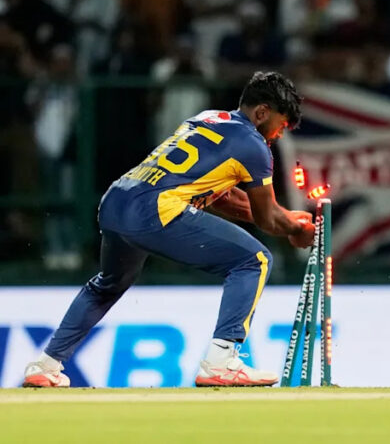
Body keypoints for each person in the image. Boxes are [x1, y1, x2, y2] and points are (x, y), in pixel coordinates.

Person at [22, 72, 315, 388]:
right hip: (154, 210)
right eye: (281, 125)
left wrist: (285, 217)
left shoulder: (209, 118)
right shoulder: (254, 146)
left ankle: (46, 365)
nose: (279, 135)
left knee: (108, 284)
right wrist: (294, 227)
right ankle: (221, 361)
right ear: (262, 113)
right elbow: (266, 218)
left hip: (117, 199)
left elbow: (222, 196)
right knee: (254, 260)